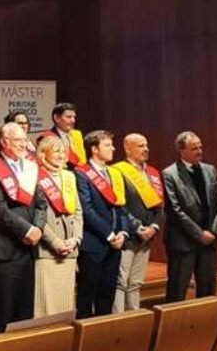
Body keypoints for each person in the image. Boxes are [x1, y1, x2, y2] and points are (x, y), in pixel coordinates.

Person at [0, 122, 46, 334]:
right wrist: (26, 230)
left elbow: (41, 204)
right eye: (18, 140)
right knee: (5, 315)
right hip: (6, 250)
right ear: (4, 141)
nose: (24, 145)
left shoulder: (30, 167)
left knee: (25, 315)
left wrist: (37, 229)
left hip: (29, 250)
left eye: (25, 140)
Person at [74, 130, 130, 318]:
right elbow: (87, 209)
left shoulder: (114, 173)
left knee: (107, 296)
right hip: (93, 244)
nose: (113, 148)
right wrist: (109, 234)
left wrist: (123, 232)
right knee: (87, 297)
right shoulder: (81, 174)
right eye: (107, 145)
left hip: (115, 244)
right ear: (95, 149)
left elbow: (122, 206)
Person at [163, 131, 217, 302]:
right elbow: (175, 211)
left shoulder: (210, 170)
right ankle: (172, 329)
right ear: (181, 151)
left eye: (200, 147)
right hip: (183, 242)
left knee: (208, 291)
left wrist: (213, 231)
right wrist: (199, 234)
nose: (199, 151)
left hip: (209, 242)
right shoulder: (170, 174)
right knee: (177, 290)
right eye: (194, 148)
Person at [112, 133, 164, 312]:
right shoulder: (118, 171)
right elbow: (120, 205)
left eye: (146, 145)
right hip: (128, 235)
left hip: (147, 236)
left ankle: (134, 319)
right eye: (140, 146)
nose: (146, 149)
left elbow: (160, 206)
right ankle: (118, 321)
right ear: (127, 148)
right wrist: (137, 227)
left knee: (135, 283)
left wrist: (154, 227)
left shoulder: (153, 173)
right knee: (121, 281)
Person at [33, 136, 82, 317]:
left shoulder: (69, 177)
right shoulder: (35, 176)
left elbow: (77, 211)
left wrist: (75, 239)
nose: (61, 155)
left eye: (63, 151)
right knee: (47, 307)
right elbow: (36, 216)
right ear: (43, 154)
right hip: (47, 251)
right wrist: (54, 242)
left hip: (69, 250)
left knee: (65, 307)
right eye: (56, 151)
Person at [35, 103, 85, 168]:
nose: (73, 120)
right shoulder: (46, 137)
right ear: (56, 118)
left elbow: (82, 159)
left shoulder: (77, 135)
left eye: (74, 117)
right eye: (69, 117)